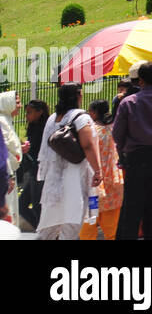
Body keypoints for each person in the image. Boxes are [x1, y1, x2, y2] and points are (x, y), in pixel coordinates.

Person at [111, 60, 152, 240]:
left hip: (135, 159)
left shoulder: (128, 103)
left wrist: (123, 154)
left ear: (140, 80)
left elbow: (117, 134)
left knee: (132, 209)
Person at [37, 83, 101, 240]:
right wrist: (98, 170)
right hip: (74, 175)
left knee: (49, 225)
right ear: (78, 95)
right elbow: (88, 145)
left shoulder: (52, 118)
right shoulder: (81, 117)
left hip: (53, 179)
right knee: (71, 222)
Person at [77, 100, 123, 240]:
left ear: (95, 113)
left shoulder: (91, 131)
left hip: (95, 184)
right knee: (112, 230)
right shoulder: (116, 128)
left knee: (88, 226)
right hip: (114, 184)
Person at [16, 99, 48, 230]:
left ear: (39, 112)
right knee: (22, 204)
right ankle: (41, 230)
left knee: (37, 205)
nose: (26, 116)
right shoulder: (32, 127)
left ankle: (44, 232)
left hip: (42, 172)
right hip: (34, 171)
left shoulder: (46, 128)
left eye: (29, 112)